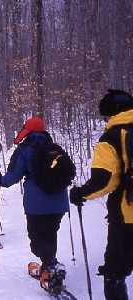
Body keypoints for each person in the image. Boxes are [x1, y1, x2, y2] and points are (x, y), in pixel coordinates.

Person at [0, 117, 70, 294]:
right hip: (59, 201)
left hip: (37, 202)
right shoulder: (55, 149)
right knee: (50, 233)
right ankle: (49, 265)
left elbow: (13, 176)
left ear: (27, 131)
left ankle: (52, 265)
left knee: (36, 239)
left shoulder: (25, 149)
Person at [69, 89, 133, 300]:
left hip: (126, 215)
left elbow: (105, 180)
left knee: (115, 271)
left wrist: (80, 194)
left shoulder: (113, 137)